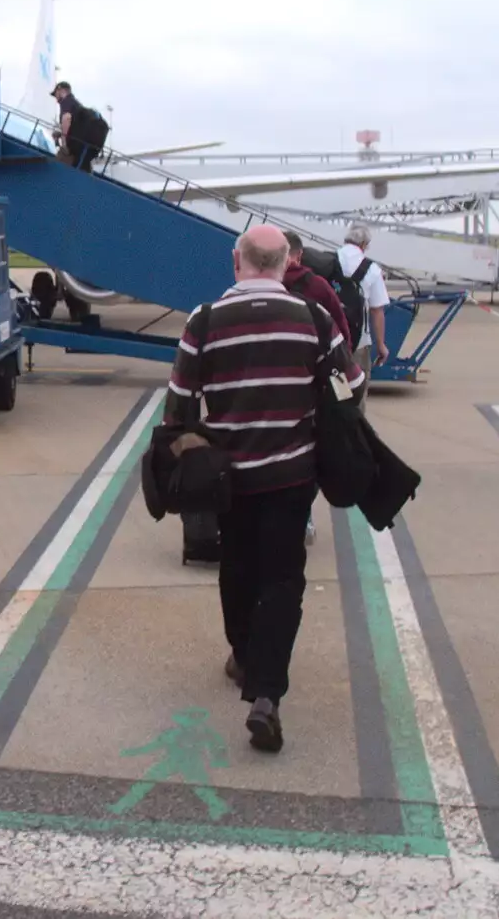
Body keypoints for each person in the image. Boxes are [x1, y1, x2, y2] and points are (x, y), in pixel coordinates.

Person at [164, 223, 363, 753]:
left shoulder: (202, 322)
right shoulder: (315, 319)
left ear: (237, 261)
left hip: (230, 479)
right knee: (283, 580)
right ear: (285, 265)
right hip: (291, 476)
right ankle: (267, 696)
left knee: (236, 567)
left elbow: (178, 405)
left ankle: (244, 655)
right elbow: (352, 386)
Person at [281, 229, 351, 548]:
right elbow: (342, 336)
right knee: (310, 451)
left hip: (269, 388)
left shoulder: (257, 286)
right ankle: (302, 513)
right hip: (312, 386)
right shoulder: (318, 287)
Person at [336, 224, 390, 411]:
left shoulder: (330, 261)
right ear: (364, 244)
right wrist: (381, 345)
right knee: (357, 396)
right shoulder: (372, 269)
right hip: (359, 344)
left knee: (340, 393)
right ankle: (357, 432)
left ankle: (338, 431)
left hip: (334, 344)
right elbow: (377, 310)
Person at [49, 81, 107, 170]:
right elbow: (76, 129)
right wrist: (60, 134)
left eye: (55, 94)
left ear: (60, 90)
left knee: (55, 169)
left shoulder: (66, 101)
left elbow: (66, 118)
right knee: (81, 169)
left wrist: (64, 143)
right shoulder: (77, 104)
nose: (56, 99)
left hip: (75, 148)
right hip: (84, 147)